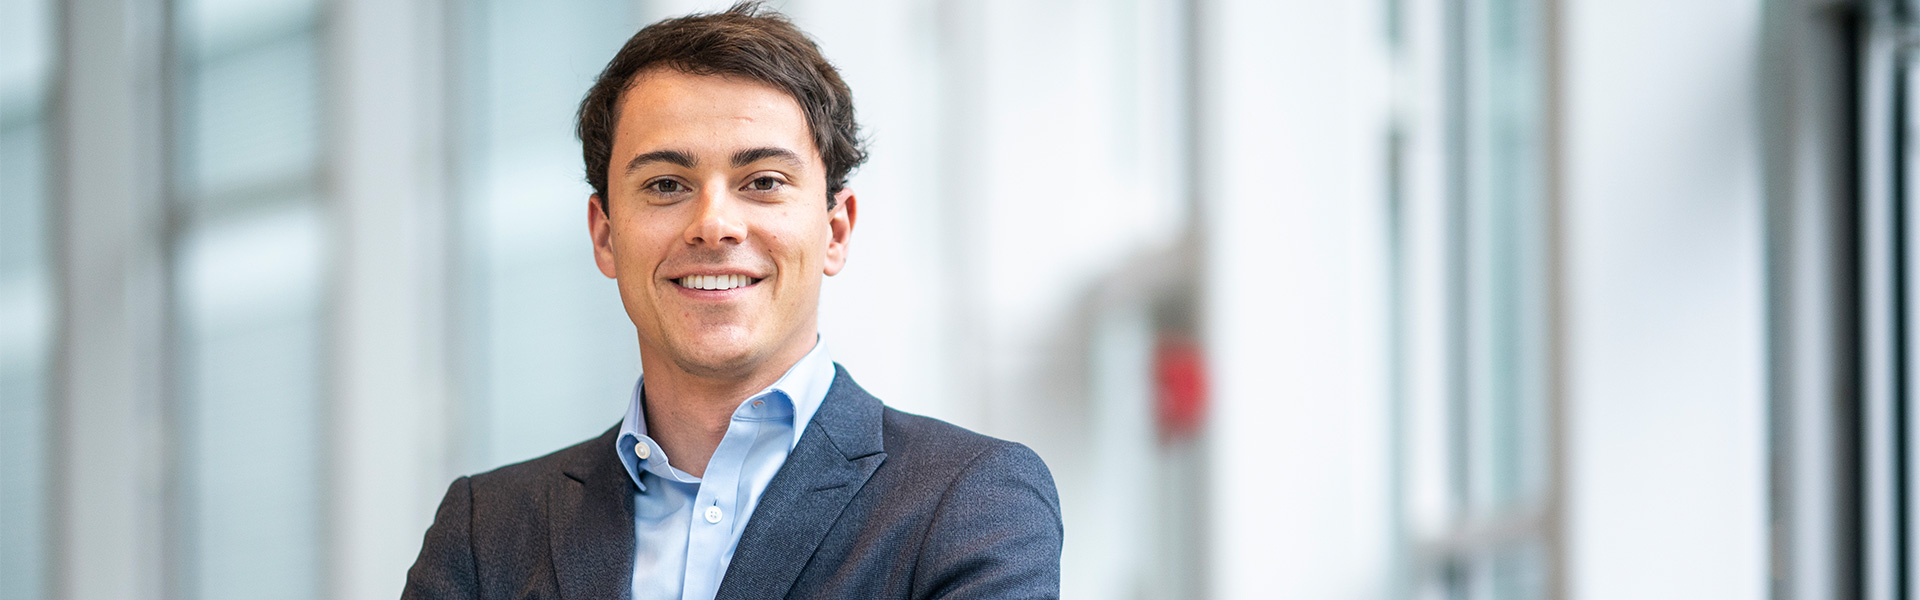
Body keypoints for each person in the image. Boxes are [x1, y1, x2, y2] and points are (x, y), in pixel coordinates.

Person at [400, 3, 1063, 599]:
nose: (714, 224)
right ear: (605, 236)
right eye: (665, 184)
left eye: (763, 181)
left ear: (835, 231)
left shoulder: (971, 500)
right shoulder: (486, 531)